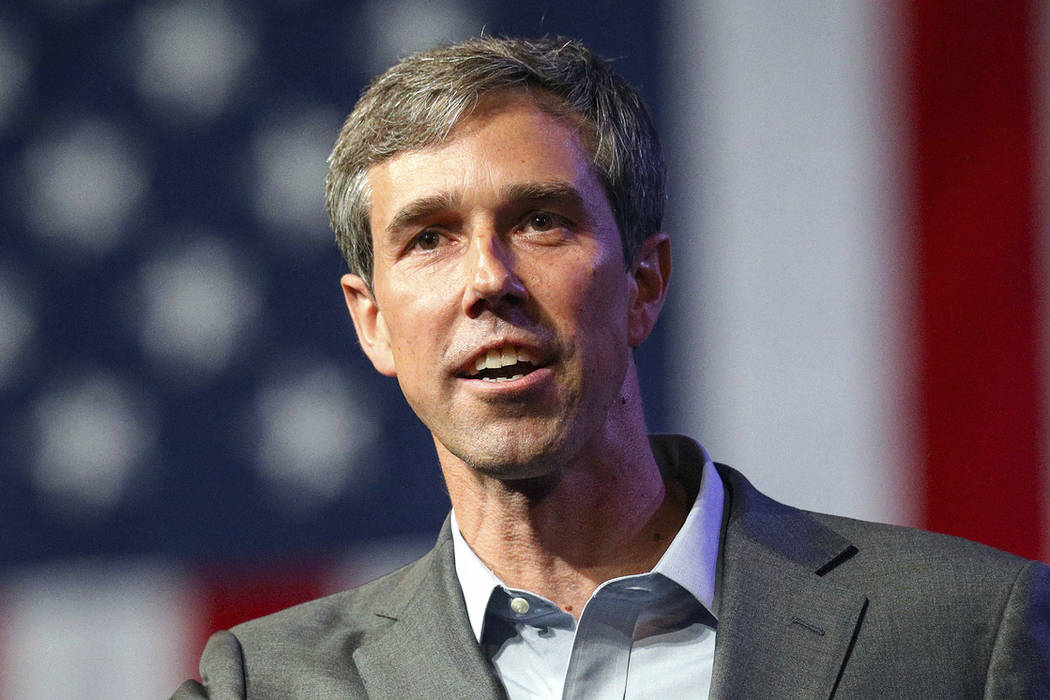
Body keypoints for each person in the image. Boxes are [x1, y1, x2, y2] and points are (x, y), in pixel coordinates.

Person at [173, 36, 1050, 699]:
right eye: (430, 238)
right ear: (373, 324)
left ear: (644, 281)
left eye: (540, 221)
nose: (488, 280)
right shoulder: (265, 686)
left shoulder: (967, 634)